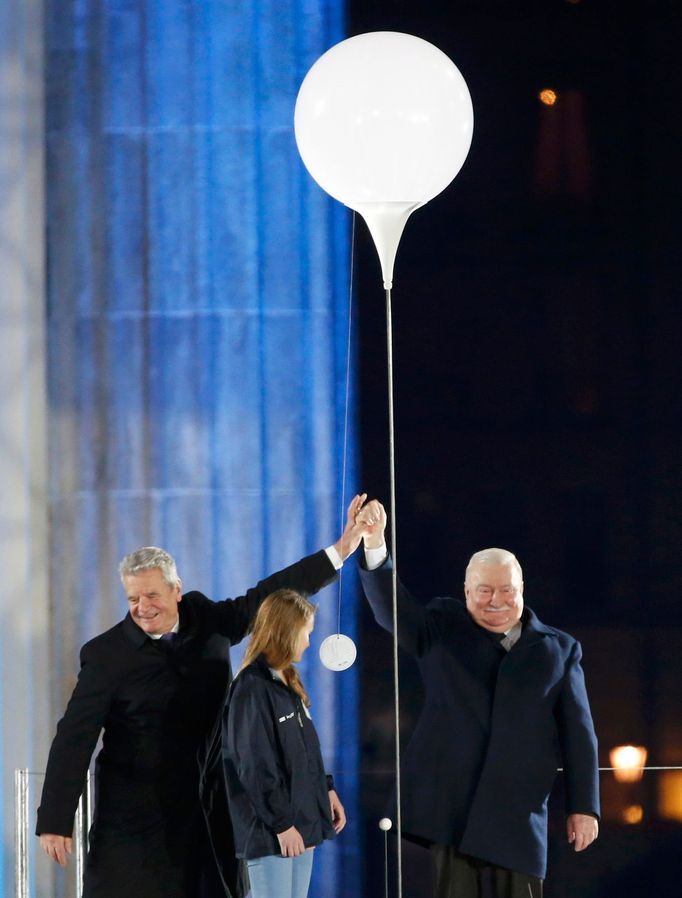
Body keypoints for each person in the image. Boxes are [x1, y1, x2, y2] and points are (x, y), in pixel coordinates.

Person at [36, 494, 369, 898]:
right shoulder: (106, 655)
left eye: (152, 596)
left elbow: (268, 597)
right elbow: (75, 736)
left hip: (208, 812)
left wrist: (341, 549)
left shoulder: (207, 619)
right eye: (133, 598)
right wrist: (55, 818)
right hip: (135, 822)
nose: (142, 607)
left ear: (176, 590)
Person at [357, 499, 599, 898]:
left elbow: (579, 735)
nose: (496, 601)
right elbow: (392, 612)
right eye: (484, 591)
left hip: (520, 810)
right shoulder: (442, 625)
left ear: (522, 591)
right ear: (466, 590)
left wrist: (584, 807)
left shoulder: (561, 649)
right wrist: (375, 546)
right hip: (451, 809)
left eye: (507, 591)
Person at [223, 589, 345, 898]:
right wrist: (281, 825)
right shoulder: (252, 688)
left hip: (300, 825)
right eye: (305, 633)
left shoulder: (288, 684)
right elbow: (254, 765)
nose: (308, 641)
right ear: (286, 632)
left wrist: (325, 791)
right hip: (273, 834)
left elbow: (303, 754)